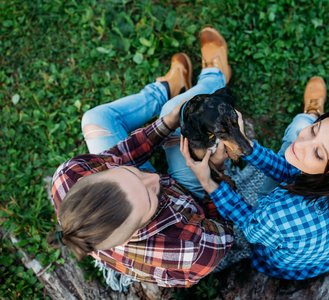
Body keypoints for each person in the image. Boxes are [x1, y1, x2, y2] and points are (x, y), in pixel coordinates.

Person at [48, 27, 234, 288]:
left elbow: (121, 155)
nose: (155, 179)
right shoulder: (190, 250)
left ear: (100, 174)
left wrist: (167, 124)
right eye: (149, 198)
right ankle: (215, 77)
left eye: (131, 173)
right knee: (177, 111)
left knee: (96, 119)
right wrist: (214, 177)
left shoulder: (69, 176)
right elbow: (225, 227)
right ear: (135, 232)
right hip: (192, 200)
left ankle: (166, 88)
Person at [181, 52, 329, 280]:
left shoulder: (275, 215)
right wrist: (247, 147)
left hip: (289, 265)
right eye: (315, 129)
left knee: (296, 127)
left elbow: (250, 226)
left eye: (318, 153)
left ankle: (312, 113)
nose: (301, 144)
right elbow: (289, 170)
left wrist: (208, 182)